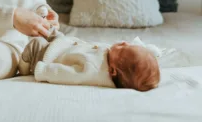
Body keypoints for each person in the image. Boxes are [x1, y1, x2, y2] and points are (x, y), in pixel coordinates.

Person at [19, 13, 161, 91]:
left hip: (50, 54)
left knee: (34, 44)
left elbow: (67, 74)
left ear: (112, 71)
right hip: (65, 43)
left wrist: (43, 71)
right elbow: (135, 56)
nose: (124, 43)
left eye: (123, 48)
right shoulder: (114, 59)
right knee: (48, 29)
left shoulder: (92, 70)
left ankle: (24, 69)